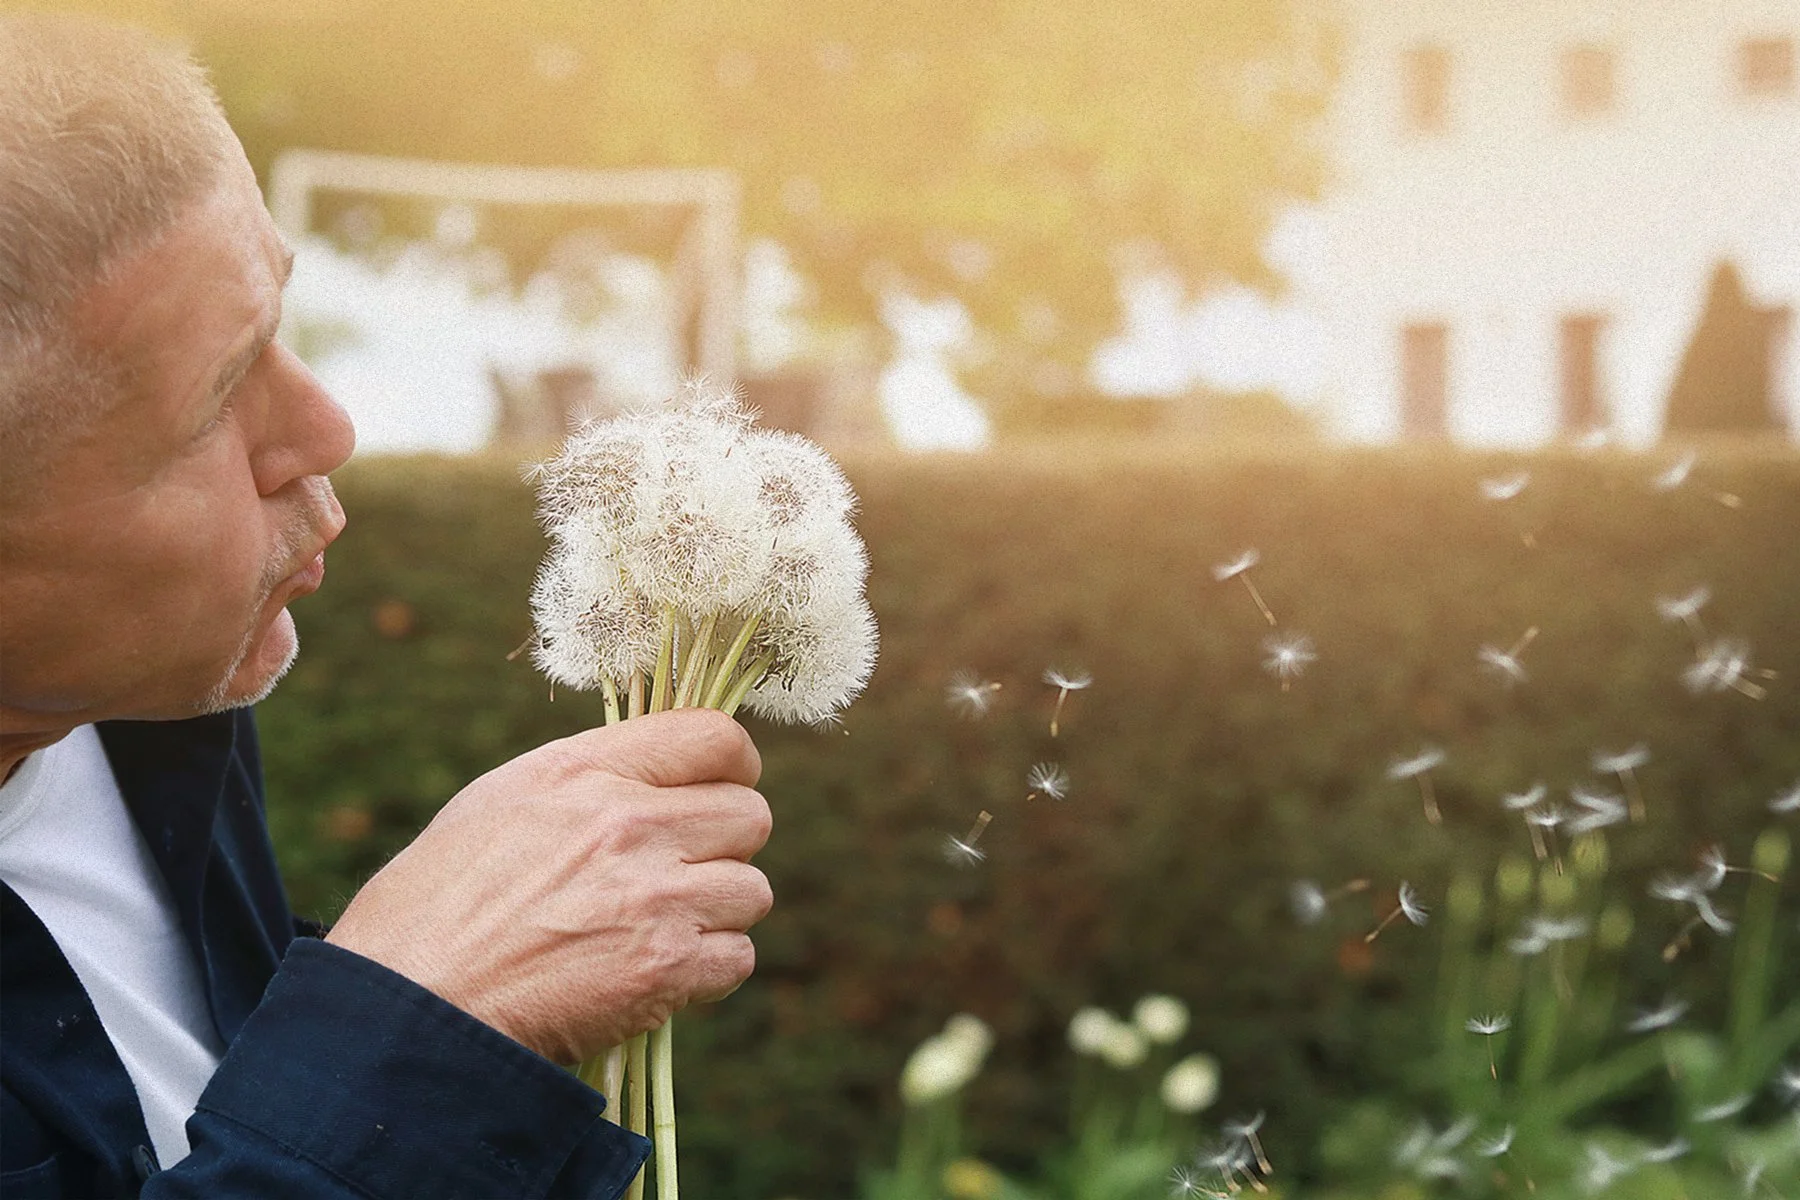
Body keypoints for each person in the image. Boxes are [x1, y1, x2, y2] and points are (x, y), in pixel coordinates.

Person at [0, 14, 775, 1198]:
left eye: (278, 323)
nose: (326, 431)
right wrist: (418, 1034)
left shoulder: (147, 700)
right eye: (215, 398)